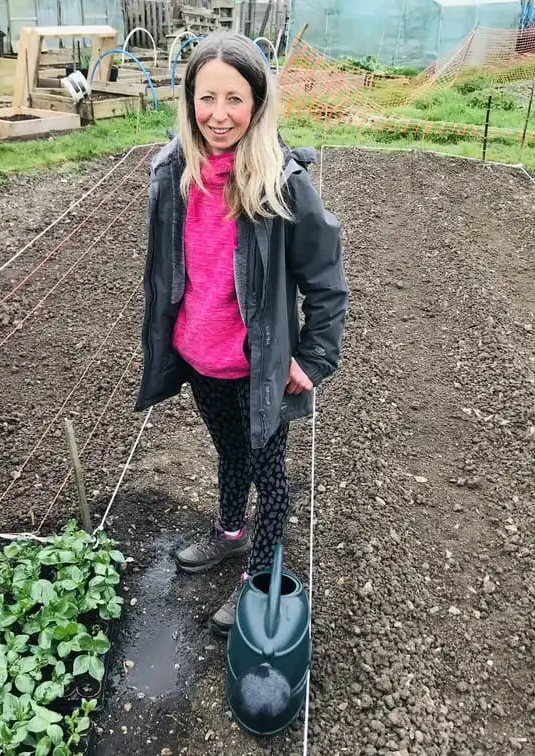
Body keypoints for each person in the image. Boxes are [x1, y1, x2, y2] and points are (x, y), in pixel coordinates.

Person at [135, 31, 348, 636]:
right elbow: (169, 272)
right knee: (229, 452)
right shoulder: (174, 173)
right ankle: (230, 533)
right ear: (188, 99)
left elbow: (326, 283)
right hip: (201, 357)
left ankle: (259, 575)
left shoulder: (282, 183)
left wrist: (312, 357)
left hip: (262, 367)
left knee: (270, 471)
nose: (219, 114)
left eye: (235, 98)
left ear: (257, 103)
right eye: (207, 98)